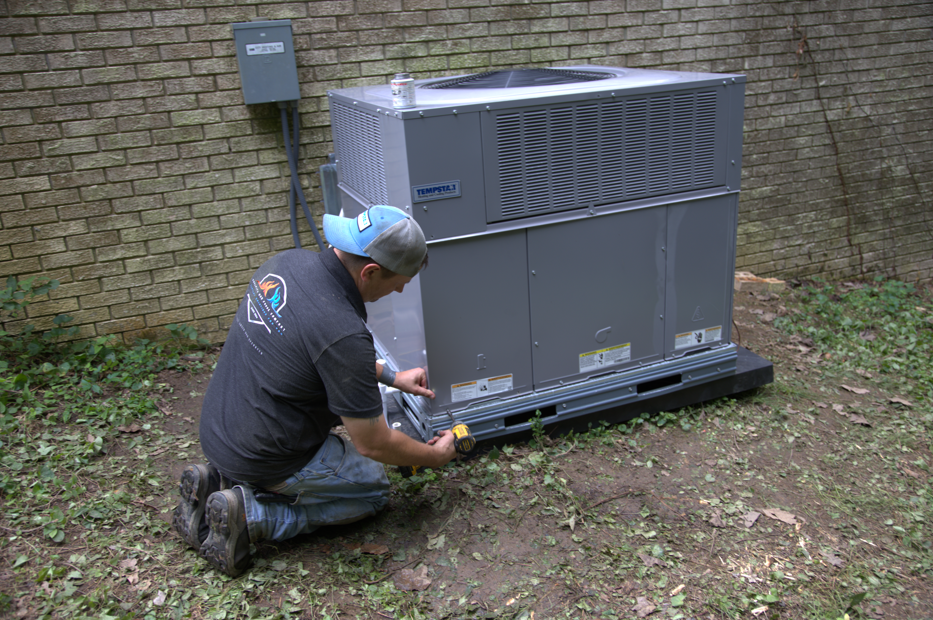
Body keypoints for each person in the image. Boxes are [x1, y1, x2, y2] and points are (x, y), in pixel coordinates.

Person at [171, 205, 458, 576]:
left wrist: (391, 376)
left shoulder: (285, 265)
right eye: (399, 281)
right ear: (370, 272)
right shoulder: (344, 331)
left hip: (220, 430)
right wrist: (433, 458)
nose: (401, 288)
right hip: (269, 454)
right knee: (373, 491)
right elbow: (373, 443)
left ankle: (219, 480)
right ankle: (251, 514)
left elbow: (311, 349)